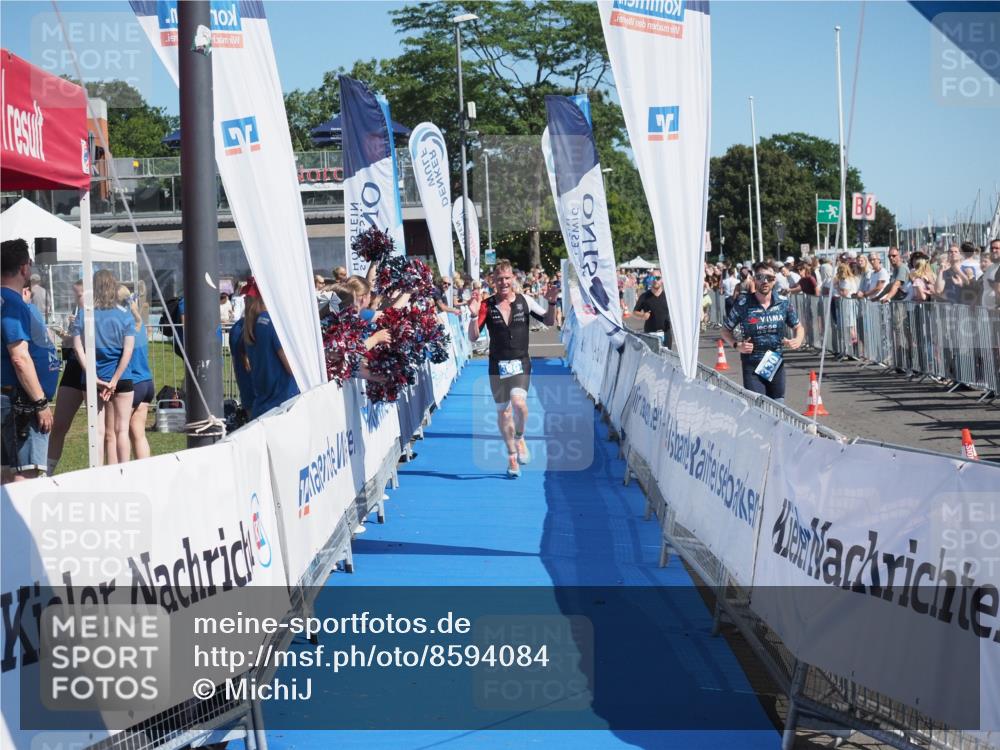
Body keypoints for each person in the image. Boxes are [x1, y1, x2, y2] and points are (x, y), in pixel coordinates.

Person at [467, 260, 546, 478]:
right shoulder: (486, 305)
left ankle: (520, 438)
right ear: (493, 281)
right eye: (499, 279)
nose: (504, 282)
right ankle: (512, 455)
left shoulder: (525, 301)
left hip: (521, 362)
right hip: (497, 366)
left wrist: (553, 302)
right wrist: (473, 315)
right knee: (503, 412)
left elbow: (548, 319)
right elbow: (473, 337)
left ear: (513, 279)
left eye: (507, 278)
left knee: (520, 405)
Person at [1, 239, 59, 482]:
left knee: (6, 472)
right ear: (24, 268)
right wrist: (40, 403)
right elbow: (20, 358)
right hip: (20, 403)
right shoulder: (12, 304)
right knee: (25, 474)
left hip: (12, 399)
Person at [719, 261, 804, 403]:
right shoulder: (743, 304)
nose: (765, 282)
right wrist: (737, 345)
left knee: (778, 407)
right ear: (754, 280)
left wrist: (797, 339)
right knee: (758, 408)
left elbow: (798, 327)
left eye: (769, 278)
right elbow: (725, 330)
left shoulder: (783, 303)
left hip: (774, 361)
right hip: (752, 362)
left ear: (774, 280)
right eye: (760, 277)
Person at [74, 270, 135, 465]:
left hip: (93, 379)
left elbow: (77, 347)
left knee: (97, 430)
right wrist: (115, 379)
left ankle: (97, 472)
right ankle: (125, 472)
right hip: (122, 377)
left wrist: (92, 376)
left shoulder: (84, 314)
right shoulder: (125, 315)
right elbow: (128, 351)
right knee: (122, 429)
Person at [244, 296, 299, 419]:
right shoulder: (272, 322)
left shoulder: (251, 324)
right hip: (282, 405)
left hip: (262, 406)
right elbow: (292, 367)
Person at [120, 286, 154, 461]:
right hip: (147, 382)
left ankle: (122, 471)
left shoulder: (121, 324)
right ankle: (145, 470)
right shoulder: (137, 322)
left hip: (133, 383)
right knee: (138, 433)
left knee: (121, 431)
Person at [632, 273, 672, 349]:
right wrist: (643, 315)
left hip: (666, 333)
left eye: (658, 278)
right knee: (652, 358)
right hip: (650, 334)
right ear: (650, 280)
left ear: (662, 280)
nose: (655, 280)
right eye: (653, 277)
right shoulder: (644, 296)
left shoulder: (668, 296)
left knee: (666, 358)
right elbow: (635, 312)